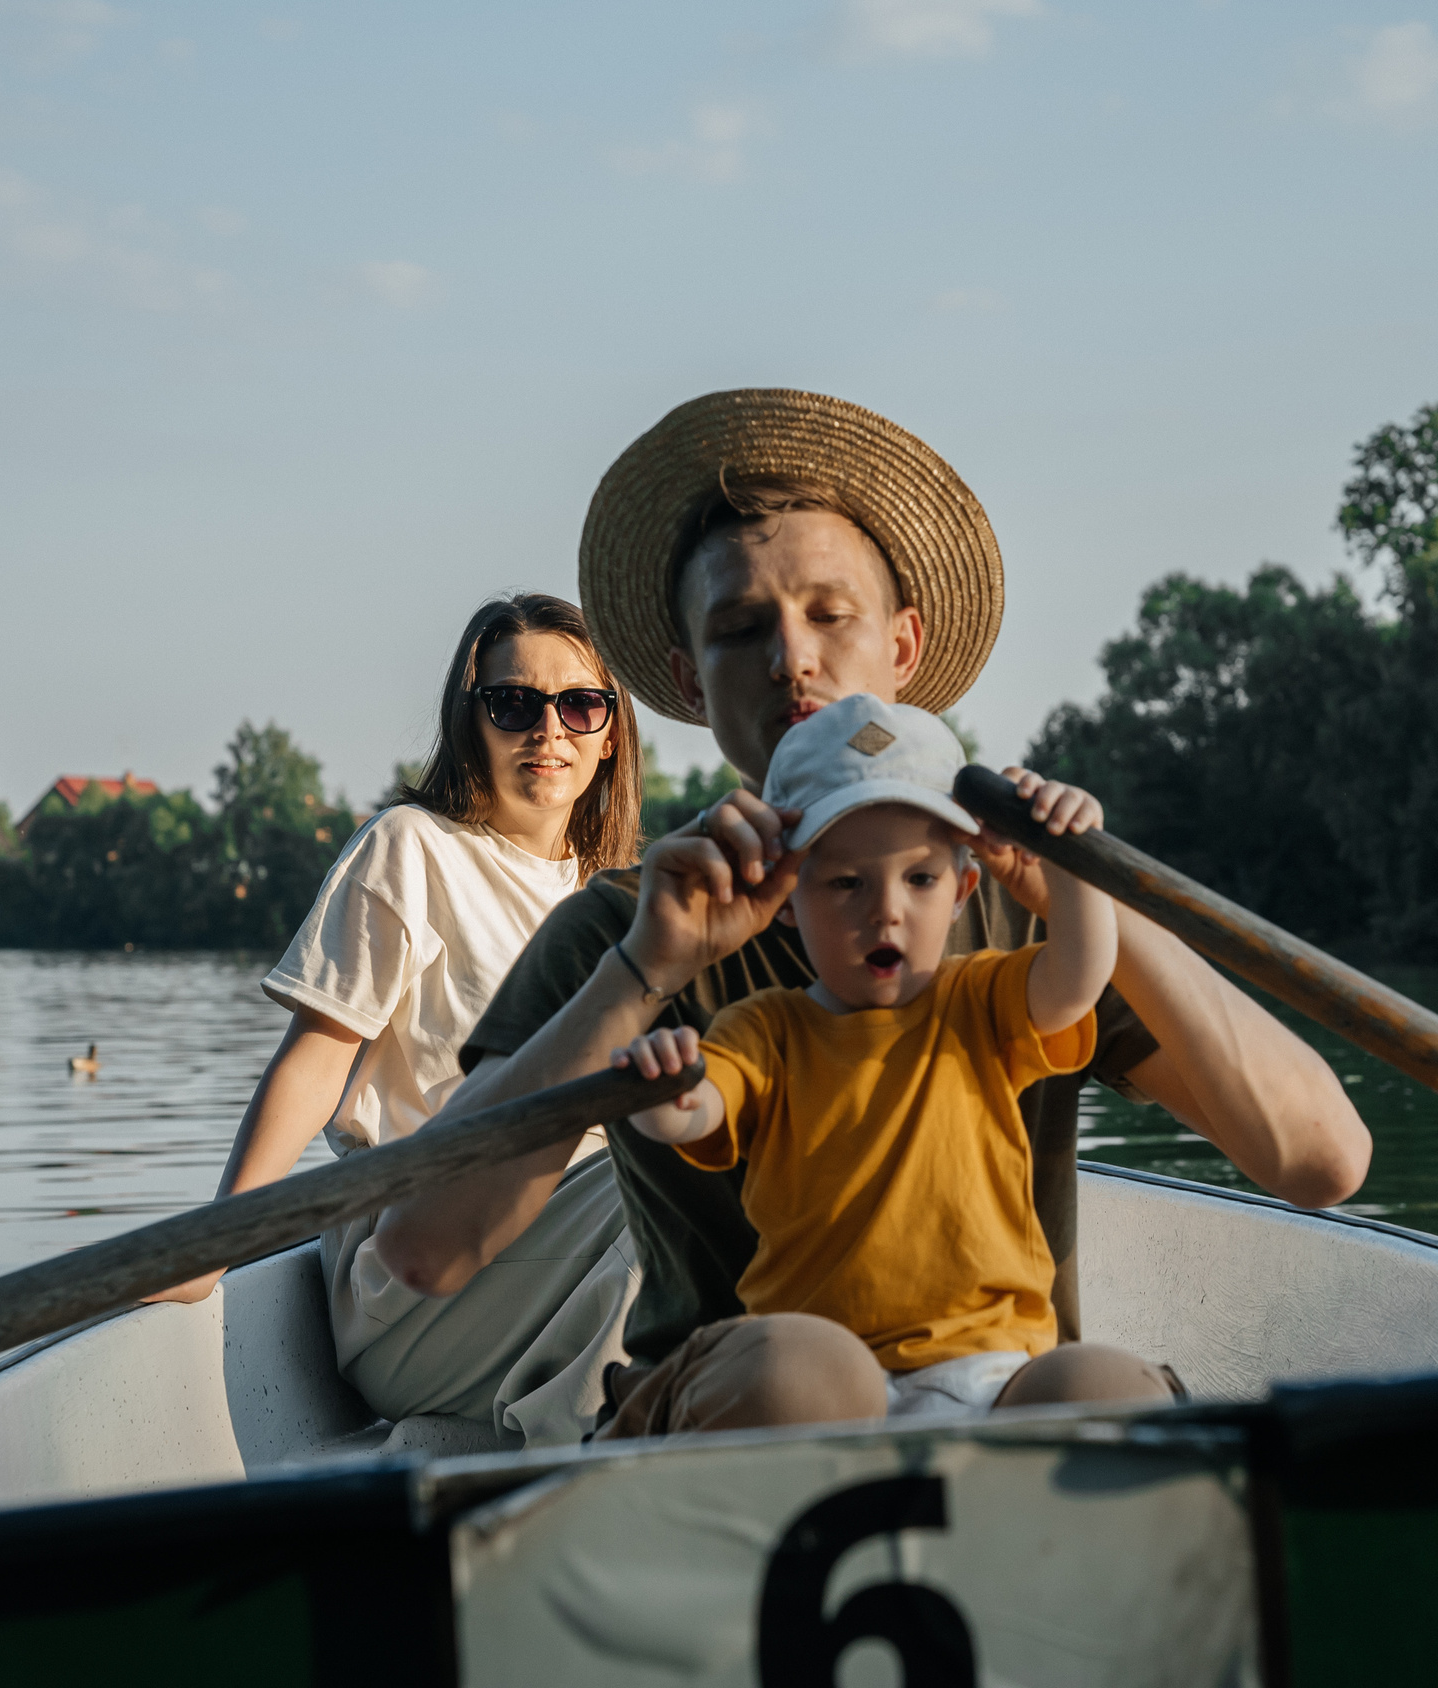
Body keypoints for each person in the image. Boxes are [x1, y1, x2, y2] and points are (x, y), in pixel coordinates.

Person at [374, 389, 1370, 1429]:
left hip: (998, 1396)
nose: (790, 659)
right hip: (735, 1414)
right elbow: (423, 1252)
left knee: (1111, 1393)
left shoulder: (1025, 912)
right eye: (740, 627)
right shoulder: (625, 930)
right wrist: (643, 975)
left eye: (828, 615)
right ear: (687, 676)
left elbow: (1319, 1161)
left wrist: (1091, 889)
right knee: (806, 1378)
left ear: (903, 647)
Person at [147, 592, 646, 1449]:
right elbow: (316, 1060)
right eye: (515, 703)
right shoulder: (412, 848)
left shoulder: (622, 902)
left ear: (610, 732)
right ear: (472, 720)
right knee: (666, 1195)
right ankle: (575, 1468)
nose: (548, 730)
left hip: (569, 1249)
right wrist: (211, 1244)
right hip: (413, 1277)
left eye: (579, 704)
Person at [602, 695, 1171, 1433]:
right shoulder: (768, 1029)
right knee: (794, 1373)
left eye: (920, 879)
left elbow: (1081, 973)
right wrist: (664, 1086)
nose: (887, 911)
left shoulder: (983, 996)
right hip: (826, 1380)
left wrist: (1073, 862)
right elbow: (696, 1109)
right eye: (846, 883)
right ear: (785, 900)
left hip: (993, 1373)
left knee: (1110, 1385)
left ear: (966, 888)